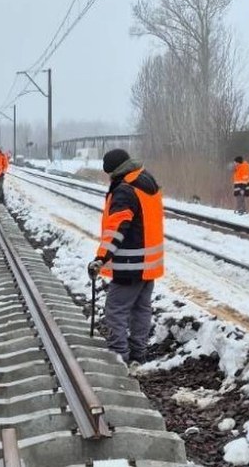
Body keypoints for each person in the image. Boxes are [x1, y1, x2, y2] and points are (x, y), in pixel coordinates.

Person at [86, 148, 163, 366]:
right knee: (141, 309)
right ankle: (138, 354)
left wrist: (101, 258)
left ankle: (118, 356)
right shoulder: (146, 181)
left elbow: (116, 228)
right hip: (148, 264)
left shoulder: (124, 191)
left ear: (113, 171)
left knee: (116, 309)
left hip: (130, 263)